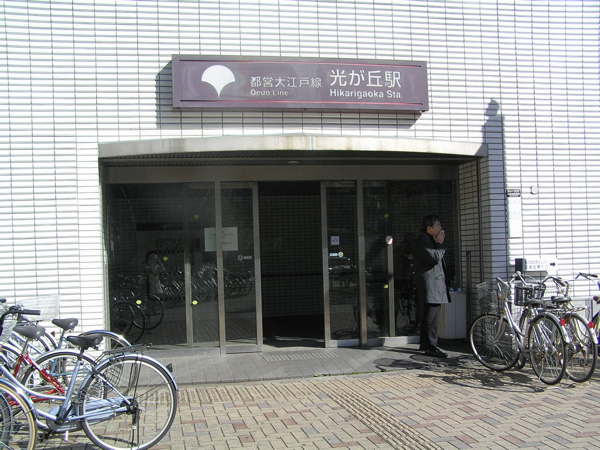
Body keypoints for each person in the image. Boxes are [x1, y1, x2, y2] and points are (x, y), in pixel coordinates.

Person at [413, 215, 451, 358]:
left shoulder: (428, 240)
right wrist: (440, 243)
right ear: (429, 228)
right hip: (431, 285)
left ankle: (425, 344)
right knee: (432, 318)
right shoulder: (423, 242)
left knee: (429, 316)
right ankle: (431, 347)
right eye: (438, 225)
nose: (440, 228)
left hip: (433, 284)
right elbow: (434, 258)